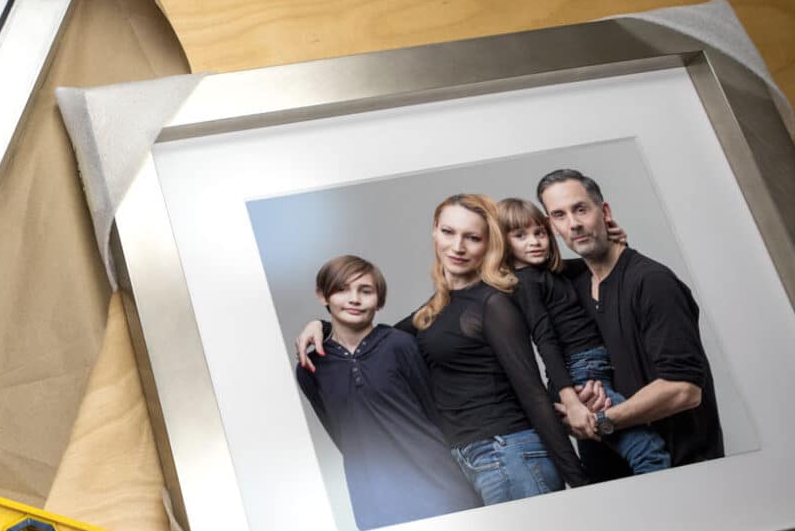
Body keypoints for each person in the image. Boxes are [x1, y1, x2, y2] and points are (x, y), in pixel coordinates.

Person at [298, 194, 589, 506]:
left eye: (472, 238)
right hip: (469, 461)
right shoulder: (438, 307)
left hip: (509, 452)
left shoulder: (493, 303)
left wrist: (581, 481)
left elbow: (530, 391)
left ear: (489, 243)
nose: (458, 247)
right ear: (434, 231)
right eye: (448, 232)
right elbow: (377, 336)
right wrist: (324, 325)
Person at [536, 169, 723, 476]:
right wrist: (574, 408)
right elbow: (516, 269)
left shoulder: (652, 282)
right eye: (559, 215)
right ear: (551, 226)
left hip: (681, 473)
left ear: (604, 211)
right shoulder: (572, 286)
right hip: (613, 481)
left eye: (581, 209)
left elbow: (684, 390)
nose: (574, 223)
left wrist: (601, 420)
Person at [295, 254, 480, 530]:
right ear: (323, 296)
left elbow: (434, 411)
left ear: (379, 301)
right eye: (342, 289)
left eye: (365, 291)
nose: (354, 299)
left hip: (438, 487)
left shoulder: (400, 345)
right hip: (375, 501)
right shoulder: (310, 367)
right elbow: (341, 435)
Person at [497, 197, 670, 475]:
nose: (534, 241)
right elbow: (545, 341)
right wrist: (571, 400)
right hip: (581, 376)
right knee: (648, 452)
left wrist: (618, 242)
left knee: (607, 464)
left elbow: (600, 261)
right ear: (503, 244)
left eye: (539, 232)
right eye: (520, 236)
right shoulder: (526, 283)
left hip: (595, 368)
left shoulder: (553, 272)